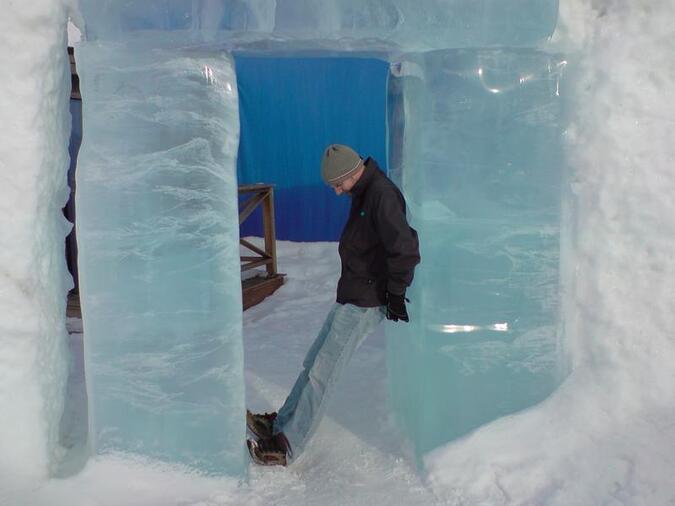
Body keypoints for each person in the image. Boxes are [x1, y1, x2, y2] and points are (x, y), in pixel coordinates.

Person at [247, 144, 420, 466]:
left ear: (353, 172)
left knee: (322, 374)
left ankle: (287, 444)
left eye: (338, 185)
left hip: (366, 300)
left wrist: (396, 295)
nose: (338, 192)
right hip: (353, 293)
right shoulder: (364, 191)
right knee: (313, 363)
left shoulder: (382, 195)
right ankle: (280, 423)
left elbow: (405, 249)